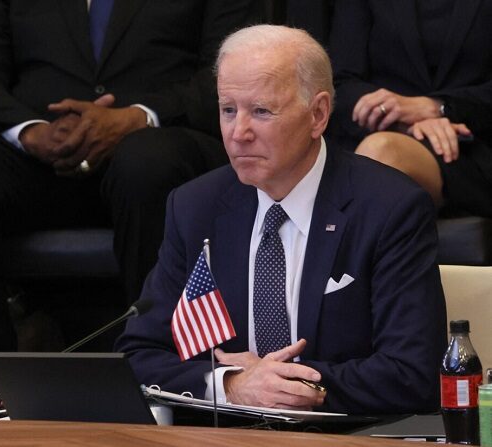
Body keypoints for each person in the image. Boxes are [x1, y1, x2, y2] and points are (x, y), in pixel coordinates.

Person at [0, 0, 259, 385]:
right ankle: (0, 383)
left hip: (157, 154)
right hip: (44, 162)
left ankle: (162, 377)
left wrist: (139, 116)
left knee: (146, 161)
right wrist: (30, 131)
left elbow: (240, 70)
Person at [116, 24, 447, 414]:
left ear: (318, 114)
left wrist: (291, 385)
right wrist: (232, 386)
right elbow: (138, 355)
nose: (238, 133)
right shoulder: (194, 207)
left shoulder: (389, 208)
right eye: (228, 110)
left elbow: (414, 372)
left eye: (261, 111)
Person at [327, 0, 492, 216]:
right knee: (375, 156)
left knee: (380, 154)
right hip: (383, 132)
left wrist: (438, 107)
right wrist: (399, 118)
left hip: (471, 147)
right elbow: (339, 84)